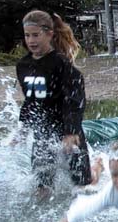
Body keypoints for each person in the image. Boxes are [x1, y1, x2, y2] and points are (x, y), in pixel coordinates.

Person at [16, 10, 93, 198]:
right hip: (43, 133)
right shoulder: (23, 65)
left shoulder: (60, 63)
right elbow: (30, 100)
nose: (31, 40)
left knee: (83, 185)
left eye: (36, 35)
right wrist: (23, 128)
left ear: (49, 34)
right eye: (27, 35)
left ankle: (98, 168)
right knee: (42, 187)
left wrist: (71, 131)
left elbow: (74, 98)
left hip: (67, 131)